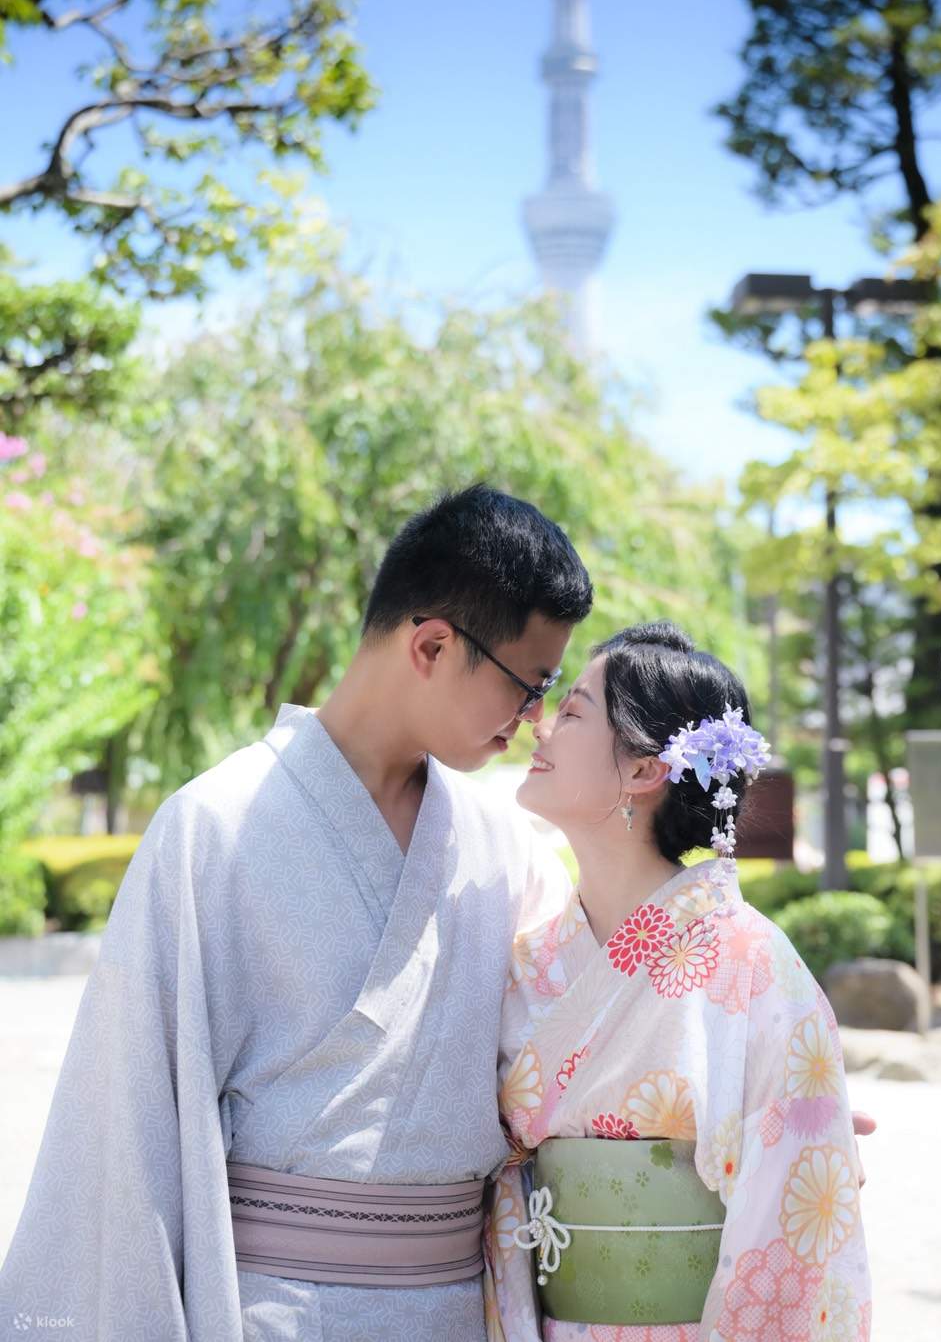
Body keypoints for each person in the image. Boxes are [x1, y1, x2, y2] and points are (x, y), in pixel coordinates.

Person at [0, 485, 592, 1341]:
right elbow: (123, 1127)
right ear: (431, 643)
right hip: (270, 1311)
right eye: (528, 684)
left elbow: (589, 1038)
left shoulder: (506, 844)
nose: (533, 718)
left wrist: (755, 1091)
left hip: (461, 1310)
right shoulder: (214, 825)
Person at [483, 622, 872, 1342]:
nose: (539, 727)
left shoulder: (752, 963)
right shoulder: (530, 958)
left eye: (571, 712)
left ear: (642, 770)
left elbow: (792, 1226)